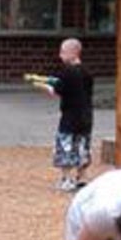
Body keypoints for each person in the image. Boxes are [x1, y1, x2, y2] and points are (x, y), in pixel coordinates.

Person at [39, 38, 94, 191]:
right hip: (86, 117)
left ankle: (66, 179)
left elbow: (58, 91)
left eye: (62, 52)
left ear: (72, 53)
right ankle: (82, 177)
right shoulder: (87, 72)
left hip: (69, 117)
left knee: (66, 147)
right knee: (83, 147)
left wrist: (45, 87)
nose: (60, 55)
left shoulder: (67, 72)